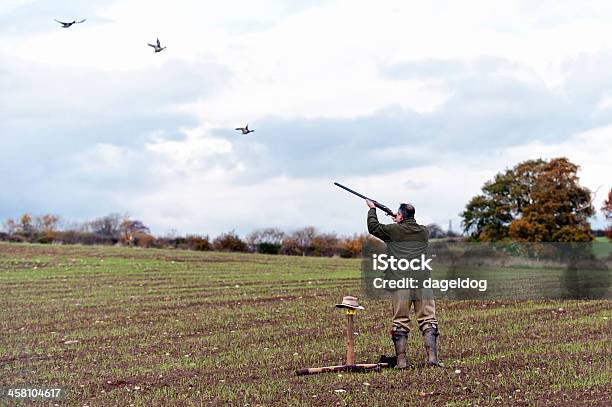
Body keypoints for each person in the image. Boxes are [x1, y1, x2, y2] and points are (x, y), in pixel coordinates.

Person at [366, 200, 442, 368]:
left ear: (400, 216)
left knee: (400, 321)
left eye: (398, 215)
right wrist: (399, 219)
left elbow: (374, 227)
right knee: (428, 319)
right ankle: (432, 359)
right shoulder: (424, 231)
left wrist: (372, 209)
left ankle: (401, 361)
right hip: (422, 282)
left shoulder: (393, 230)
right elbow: (407, 229)